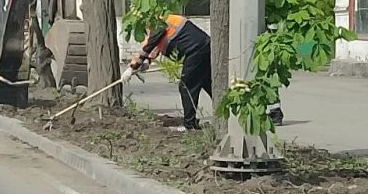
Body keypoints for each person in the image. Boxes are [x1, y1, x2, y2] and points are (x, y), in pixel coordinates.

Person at [121, 14, 283, 132]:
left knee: (186, 86)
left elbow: (149, 44)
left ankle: (189, 125)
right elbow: (156, 45)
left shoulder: (157, 22)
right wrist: (147, 62)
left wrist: (132, 67)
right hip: (202, 48)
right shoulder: (164, 20)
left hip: (195, 51)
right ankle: (235, 115)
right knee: (210, 85)